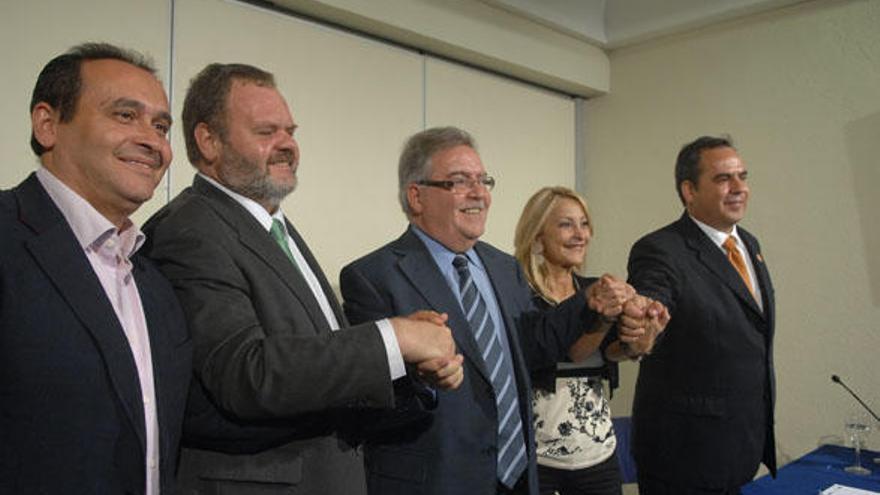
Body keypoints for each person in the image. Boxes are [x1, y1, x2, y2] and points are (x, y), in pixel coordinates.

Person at [142, 63, 462, 495]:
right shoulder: (191, 230)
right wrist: (393, 338)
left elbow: (319, 376)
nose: (287, 145)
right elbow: (245, 373)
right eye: (266, 131)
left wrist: (407, 367)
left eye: (290, 131)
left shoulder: (273, 226)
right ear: (209, 140)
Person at [339, 127, 653, 495]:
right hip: (439, 482)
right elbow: (364, 403)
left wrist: (589, 303)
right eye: (460, 182)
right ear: (417, 196)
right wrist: (421, 381)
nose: (479, 193)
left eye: (483, 180)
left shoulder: (504, 267)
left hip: (517, 478)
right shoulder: (373, 277)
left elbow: (536, 345)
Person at [0, 43, 191, 494]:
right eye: (125, 115)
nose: (152, 142)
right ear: (48, 124)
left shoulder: (154, 281)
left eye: (161, 126)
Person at [627, 136, 776, 494]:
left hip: (740, 445)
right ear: (689, 190)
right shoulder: (660, 250)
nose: (739, 187)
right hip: (685, 457)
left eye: (742, 176)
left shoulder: (749, 244)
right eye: (724, 178)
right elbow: (653, 299)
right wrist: (646, 322)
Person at [513, 186, 665, 495]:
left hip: (598, 455)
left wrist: (643, 336)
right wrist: (603, 317)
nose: (580, 234)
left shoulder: (595, 288)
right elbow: (570, 352)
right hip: (538, 460)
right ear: (538, 237)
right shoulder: (518, 296)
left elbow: (612, 352)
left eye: (584, 224)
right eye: (566, 224)